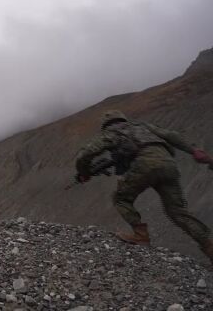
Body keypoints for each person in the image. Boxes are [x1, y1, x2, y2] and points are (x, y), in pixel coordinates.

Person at [75, 110, 213, 264]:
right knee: (178, 211)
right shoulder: (143, 126)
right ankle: (209, 247)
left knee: (121, 198)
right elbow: (172, 136)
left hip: (144, 165)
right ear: (123, 118)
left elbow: (84, 155)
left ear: (105, 124)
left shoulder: (110, 133)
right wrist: (194, 151)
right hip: (168, 165)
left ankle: (140, 235)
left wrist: (84, 172)